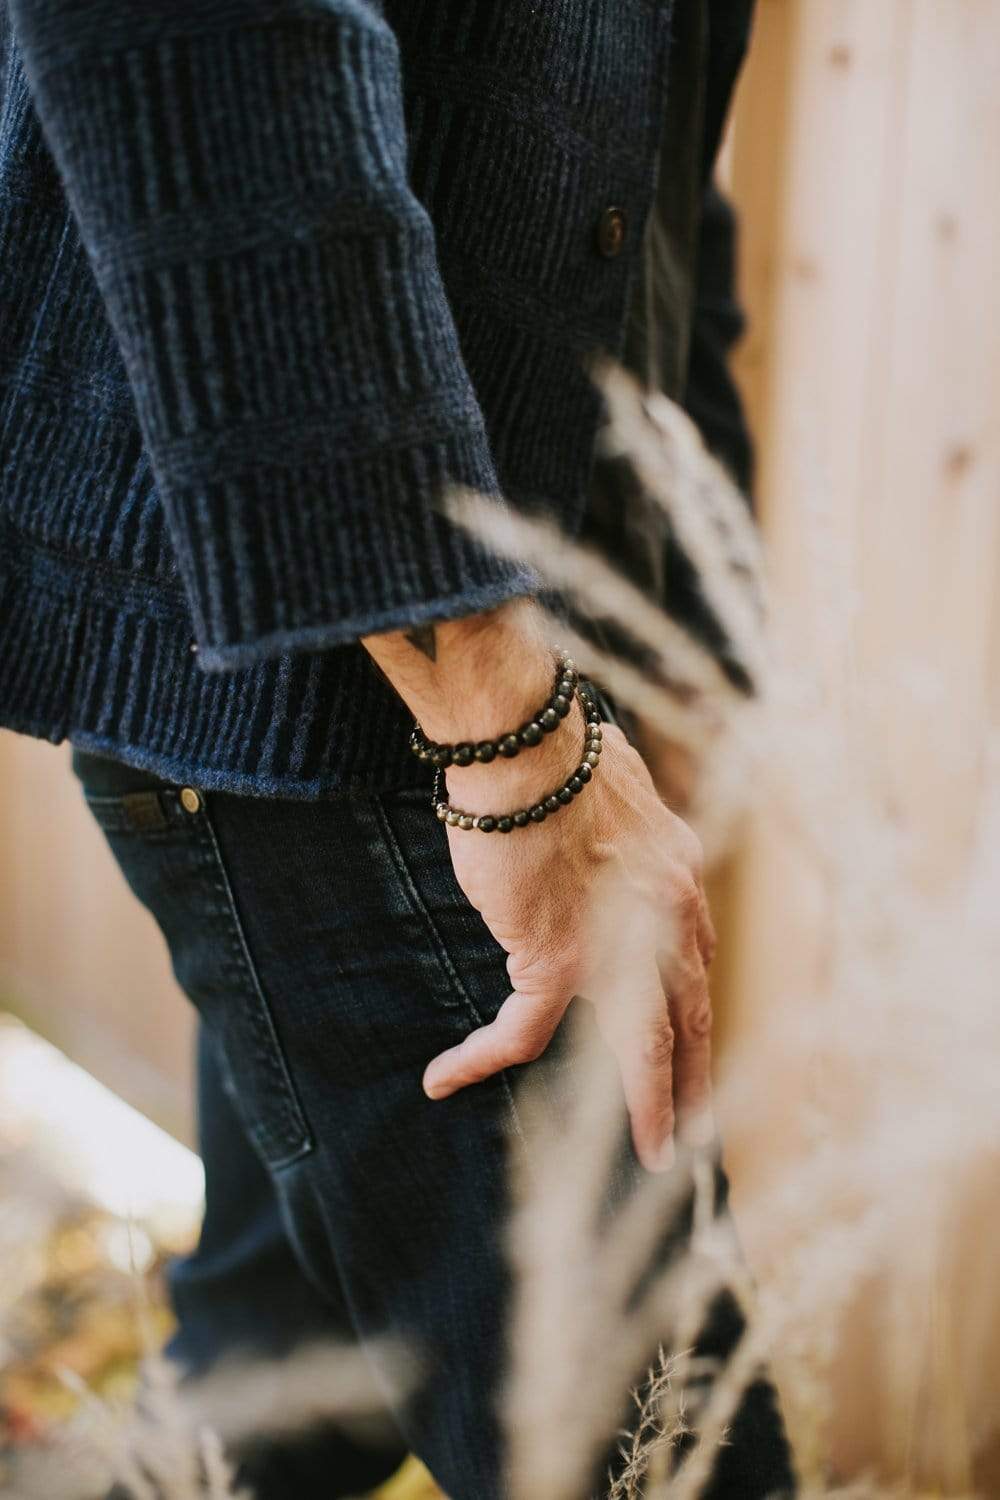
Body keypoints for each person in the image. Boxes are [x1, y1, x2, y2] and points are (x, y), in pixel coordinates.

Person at [0, 0, 795, 1495]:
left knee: (294, 1395)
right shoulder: (484, 716)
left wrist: (681, 639)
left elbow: (663, 167)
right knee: (676, 1463)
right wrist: (507, 721)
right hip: (375, 682)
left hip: (521, 666)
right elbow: (213, 60)